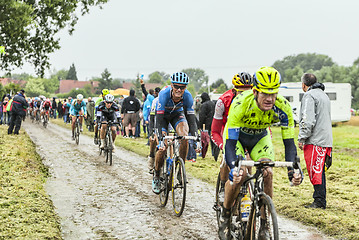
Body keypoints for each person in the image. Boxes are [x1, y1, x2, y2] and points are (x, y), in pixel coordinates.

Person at [218, 67, 302, 240]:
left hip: (260, 138)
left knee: (268, 171)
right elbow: (231, 143)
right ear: (255, 91)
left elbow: (289, 144)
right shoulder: (241, 104)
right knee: (239, 176)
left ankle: (264, 225)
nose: (270, 99)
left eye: (274, 93)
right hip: (238, 138)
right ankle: (225, 215)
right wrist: (233, 167)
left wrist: (292, 171)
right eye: (265, 94)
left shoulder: (283, 108)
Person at [152, 72, 199, 194]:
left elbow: (191, 120)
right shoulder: (163, 94)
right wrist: (161, 138)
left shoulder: (188, 96)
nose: (179, 89)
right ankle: (157, 175)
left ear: (185, 88)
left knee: (184, 136)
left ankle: (179, 171)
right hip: (162, 118)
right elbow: (159, 120)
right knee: (163, 147)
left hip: (177, 115)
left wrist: (196, 138)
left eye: (182, 87)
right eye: (176, 86)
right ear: (172, 85)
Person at [211, 72, 253, 203]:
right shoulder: (223, 101)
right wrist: (223, 146)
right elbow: (215, 131)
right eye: (241, 92)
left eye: (248, 91)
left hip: (245, 131)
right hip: (227, 130)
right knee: (226, 157)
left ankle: (246, 190)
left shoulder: (256, 100)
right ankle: (224, 186)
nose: (245, 95)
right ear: (234, 90)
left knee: (249, 161)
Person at [298, 73, 333, 210]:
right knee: (320, 171)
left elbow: (308, 120)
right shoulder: (324, 95)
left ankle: (319, 201)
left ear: (303, 84)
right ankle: (320, 199)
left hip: (315, 140)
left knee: (315, 170)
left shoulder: (309, 96)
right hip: (326, 139)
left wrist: (302, 138)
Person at [199, 92, 215, 158]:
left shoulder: (204, 105)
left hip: (206, 125)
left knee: (204, 140)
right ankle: (213, 153)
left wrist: (200, 125)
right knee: (213, 140)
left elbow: (202, 116)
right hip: (213, 123)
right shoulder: (213, 103)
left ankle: (202, 153)